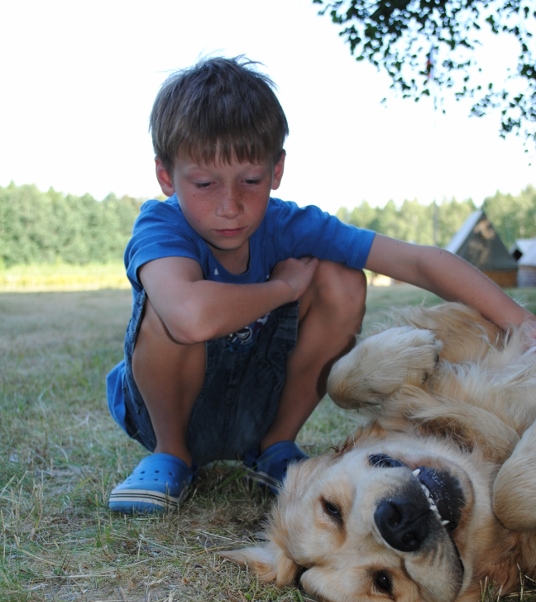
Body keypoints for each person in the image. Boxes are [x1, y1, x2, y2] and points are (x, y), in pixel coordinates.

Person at [106, 55, 536, 513]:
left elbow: (417, 262)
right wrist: (283, 289)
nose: (230, 205)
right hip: (165, 413)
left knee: (342, 280)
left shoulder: (290, 224)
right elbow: (189, 316)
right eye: (205, 184)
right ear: (167, 176)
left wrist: (521, 323)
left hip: (257, 409)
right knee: (168, 312)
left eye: (250, 180)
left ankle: (274, 447)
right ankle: (171, 455)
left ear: (276, 170)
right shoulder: (160, 225)